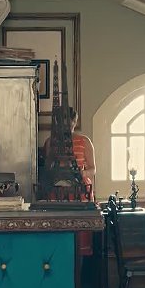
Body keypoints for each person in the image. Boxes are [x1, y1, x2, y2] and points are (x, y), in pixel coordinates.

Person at [43, 106, 96, 256]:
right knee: (57, 229)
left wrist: (81, 173)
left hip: (80, 190)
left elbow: (93, 169)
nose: (66, 125)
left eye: (69, 121)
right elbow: (48, 170)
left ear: (74, 122)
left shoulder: (84, 141)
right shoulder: (50, 142)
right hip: (57, 191)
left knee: (81, 232)